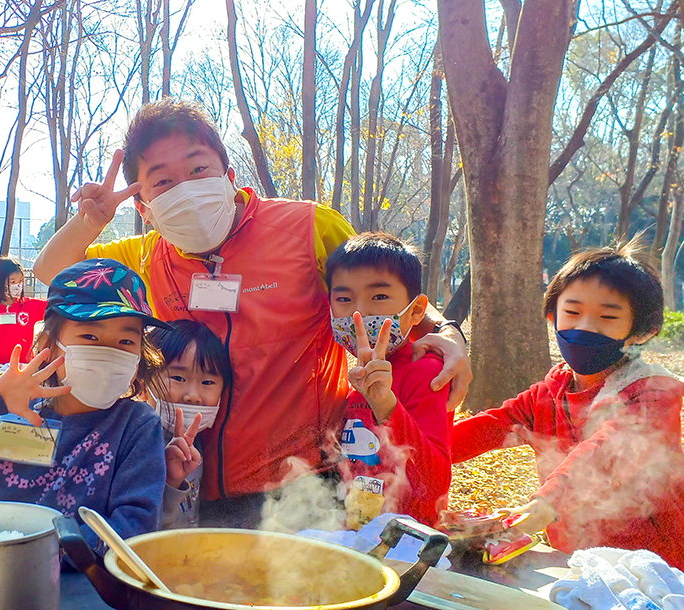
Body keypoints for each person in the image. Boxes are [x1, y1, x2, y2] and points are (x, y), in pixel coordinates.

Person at [34, 98, 471, 528]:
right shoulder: (144, 258)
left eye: (198, 169)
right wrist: (91, 220)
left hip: (304, 488)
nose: (185, 188)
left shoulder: (309, 227)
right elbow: (53, 273)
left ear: (228, 174)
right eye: (163, 182)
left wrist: (449, 330)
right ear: (144, 208)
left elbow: (381, 282)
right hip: (185, 479)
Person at [0, 259, 168, 551]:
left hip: (82, 590)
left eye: (125, 341)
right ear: (48, 345)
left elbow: (134, 527)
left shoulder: (136, 427)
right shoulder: (5, 412)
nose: (108, 353)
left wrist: (37, 555)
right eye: (90, 336)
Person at [452, 243, 684, 568]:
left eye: (607, 316)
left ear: (642, 332)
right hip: (576, 560)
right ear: (552, 315)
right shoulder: (550, 393)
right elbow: (486, 428)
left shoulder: (654, 393)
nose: (585, 327)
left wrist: (547, 502)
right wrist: (412, 454)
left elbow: (607, 452)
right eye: (572, 312)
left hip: (651, 568)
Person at [325, 233, 451, 528]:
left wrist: (386, 405)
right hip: (355, 536)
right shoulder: (351, 382)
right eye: (344, 299)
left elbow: (434, 486)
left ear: (417, 310)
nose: (360, 312)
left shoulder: (428, 373)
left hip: (405, 545)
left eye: (379, 297)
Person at [147, 320, 233, 529]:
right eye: (178, 377)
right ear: (142, 380)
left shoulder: (198, 444)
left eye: (207, 383)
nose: (193, 396)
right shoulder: (138, 445)